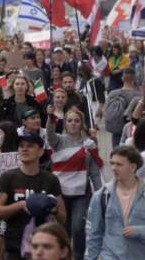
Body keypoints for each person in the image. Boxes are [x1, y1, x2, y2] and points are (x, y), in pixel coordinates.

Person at [0, 132, 66, 260]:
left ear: (41, 151)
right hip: (14, 246)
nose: (24, 149)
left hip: (43, 245)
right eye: (21, 146)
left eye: (30, 145)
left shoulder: (51, 180)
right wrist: (21, 205)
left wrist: (52, 209)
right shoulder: (8, 177)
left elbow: (63, 218)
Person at [46, 108, 101, 260]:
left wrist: (100, 194)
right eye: (69, 121)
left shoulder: (89, 145)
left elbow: (94, 172)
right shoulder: (59, 141)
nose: (73, 123)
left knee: (78, 228)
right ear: (65, 124)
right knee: (63, 229)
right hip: (61, 193)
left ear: (81, 124)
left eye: (77, 121)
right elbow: (50, 135)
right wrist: (50, 118)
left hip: (81, 194)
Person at [85, 145, 145, 260]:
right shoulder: (101, 196)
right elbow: (93, 235)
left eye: (119, 164)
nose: (114, 168)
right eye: (112, 163)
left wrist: (140, 231)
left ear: (133, 167)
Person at [106, 67, 142, 148]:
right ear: (134, 79)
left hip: (116, 130)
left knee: (117, 152)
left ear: (122, 78)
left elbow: (106, 111)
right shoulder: (139, 96)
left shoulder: (112, 94)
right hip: (132, 132)